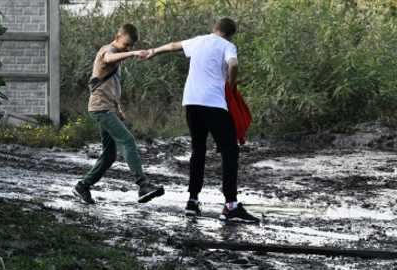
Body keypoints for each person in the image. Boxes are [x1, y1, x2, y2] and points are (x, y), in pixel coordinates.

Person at [145, 18, 259, 223]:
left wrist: (154, 51)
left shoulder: (198, 40)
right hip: (213, 103)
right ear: (230, 34)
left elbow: (173, 46)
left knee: (198, 150)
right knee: (230, 150)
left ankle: (192, 201)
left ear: (214, 28)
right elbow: (233, 64)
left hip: (191, 102)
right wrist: (231, 84)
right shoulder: (227, 45)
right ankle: (231, 206)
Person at [73, 23, 164, 206]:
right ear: (117, 37)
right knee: (128, 140)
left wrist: (118, 108)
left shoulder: (118, 58)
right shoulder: (107, 50)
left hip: (108, 108)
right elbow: (108, 57)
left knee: (109, 156)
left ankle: (83, 186)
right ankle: (143, 184)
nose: (128, 48)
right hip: (100, 109)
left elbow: (111, 87)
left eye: (131, 46)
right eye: (126, 44)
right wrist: (133, 53)